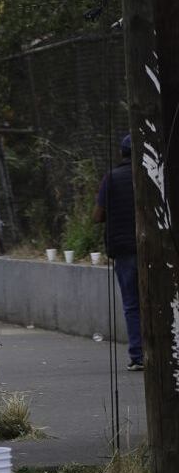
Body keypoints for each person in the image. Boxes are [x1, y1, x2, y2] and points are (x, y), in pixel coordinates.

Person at [95, 134, 144, 371]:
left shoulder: (111, 178)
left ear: (122, 154)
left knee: (132, 304)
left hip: (124, 250)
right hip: (150, 250)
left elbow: (98, 216)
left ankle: (138, 355)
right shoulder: (149, 177)